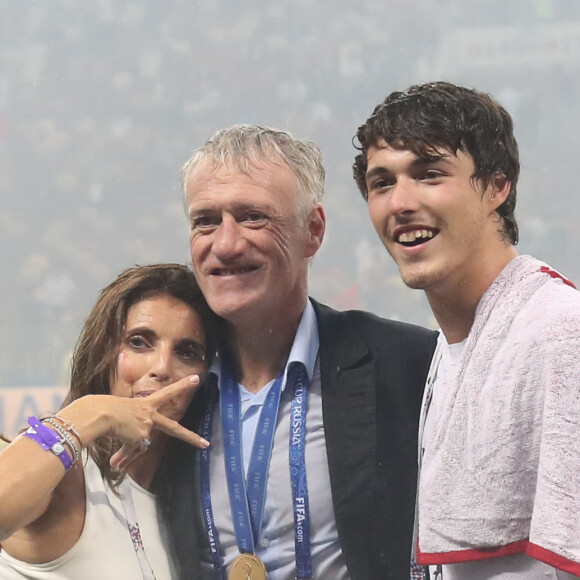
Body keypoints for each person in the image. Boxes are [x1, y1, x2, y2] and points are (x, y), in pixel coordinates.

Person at [165, 124, 437, 580]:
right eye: (206, 221)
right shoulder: (165, 383)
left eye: (253, 217)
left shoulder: (406, 365)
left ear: (312, 231)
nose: (226, 244)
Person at [353, 81, 580, 579]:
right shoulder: (450, 352)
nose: (400, 203)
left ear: (498, 186)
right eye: (382, 183)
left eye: (430, 174)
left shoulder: (561, 334)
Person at [0, 263, 217, 579]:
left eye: (187, 352)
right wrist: (91, 412)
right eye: (139, 342)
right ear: (103, 353)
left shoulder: (181, 511)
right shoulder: (65, 474)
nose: (161, 367)